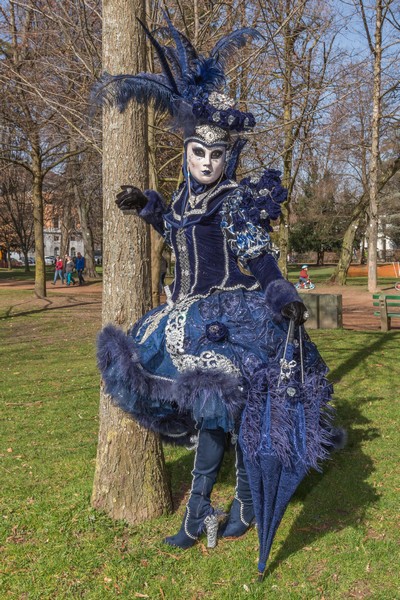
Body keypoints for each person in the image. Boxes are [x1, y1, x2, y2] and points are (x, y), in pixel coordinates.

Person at [96, 20, 341, 556]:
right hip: (183, 314)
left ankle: (236, 509)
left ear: (230, 156)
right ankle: (203, 512)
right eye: (197, 153)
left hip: (231, 320)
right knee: (210, 414)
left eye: (217, 155)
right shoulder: (184, 200)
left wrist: (286, 297)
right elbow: (179, 233)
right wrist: (148, 207)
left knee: (239, 419)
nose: (207, 163)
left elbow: (259, 258)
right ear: (185, 151)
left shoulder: (235, 200)